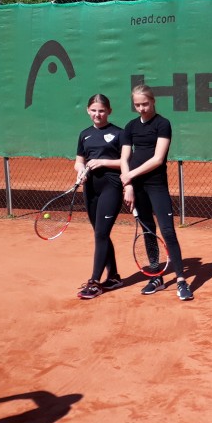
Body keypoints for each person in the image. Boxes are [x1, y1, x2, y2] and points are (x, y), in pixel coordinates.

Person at [120, 84, 194, 301]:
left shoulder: (163, 124)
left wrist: (129, 175)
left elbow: (157, 159)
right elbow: (124, 158)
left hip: (156, 185)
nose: (141, 108)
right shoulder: (130, 126)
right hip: (137, 188)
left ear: (153, 101)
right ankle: (156, 276)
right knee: (148, 232)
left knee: (168, 232)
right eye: (137, 105)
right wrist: (129, 185)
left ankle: (181, 280)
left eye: (145, 104)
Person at [75, 94, 125, 300]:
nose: (98, 114)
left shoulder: (119, 133)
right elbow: (79, 161)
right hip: (91, 190)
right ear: (88, 110)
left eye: (102, 110)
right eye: (94, 110)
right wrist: (80, 170)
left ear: (109, 111)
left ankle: (95, 281)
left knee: (101, 234)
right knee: (100, 233)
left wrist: (103, 162)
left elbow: (126, 162)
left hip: (111, 188)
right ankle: (113, 276)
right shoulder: (84, 134)